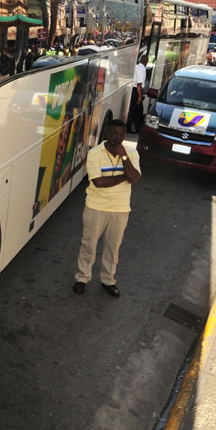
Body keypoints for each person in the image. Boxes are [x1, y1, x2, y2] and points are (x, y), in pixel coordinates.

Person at [73, 120, 141, 297]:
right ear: (106, 134)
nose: (116, 138)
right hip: (96, 207)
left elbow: (134, 177)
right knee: (89, 245)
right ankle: (82, 278)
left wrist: (124, 157)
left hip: (120, 209)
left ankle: (108, 280)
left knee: (113, 248)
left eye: (120, 134)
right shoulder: (95, 153)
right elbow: (98, 182)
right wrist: (123, 177)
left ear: (124, 136)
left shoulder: (131, 153)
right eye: (113, 134)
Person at [127, 55, 147, 133]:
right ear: (146, 61)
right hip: (136, 91)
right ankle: (137, 129)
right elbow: (139, 84)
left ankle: (129, 127)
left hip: (131, 90)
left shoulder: (136, 66)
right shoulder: (142, 69)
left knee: (132, 110)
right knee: (138, 112)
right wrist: (140, 96)